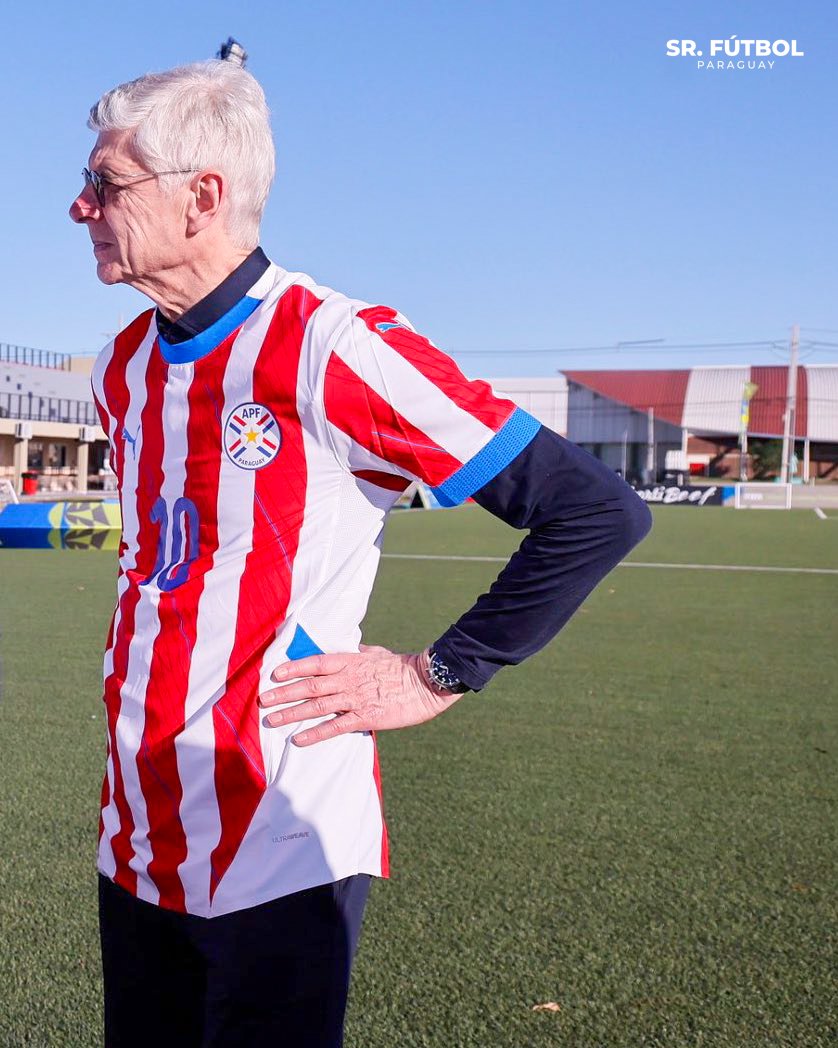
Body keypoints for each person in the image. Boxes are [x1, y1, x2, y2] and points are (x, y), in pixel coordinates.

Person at [70, 59, 651, 1048]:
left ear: (201, 196)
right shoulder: (121, 366)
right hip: (138, 830)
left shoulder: (334, 345)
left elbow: (592, 510)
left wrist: (440, 671)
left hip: (278, 837)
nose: (80, 206)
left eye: (108, 184)